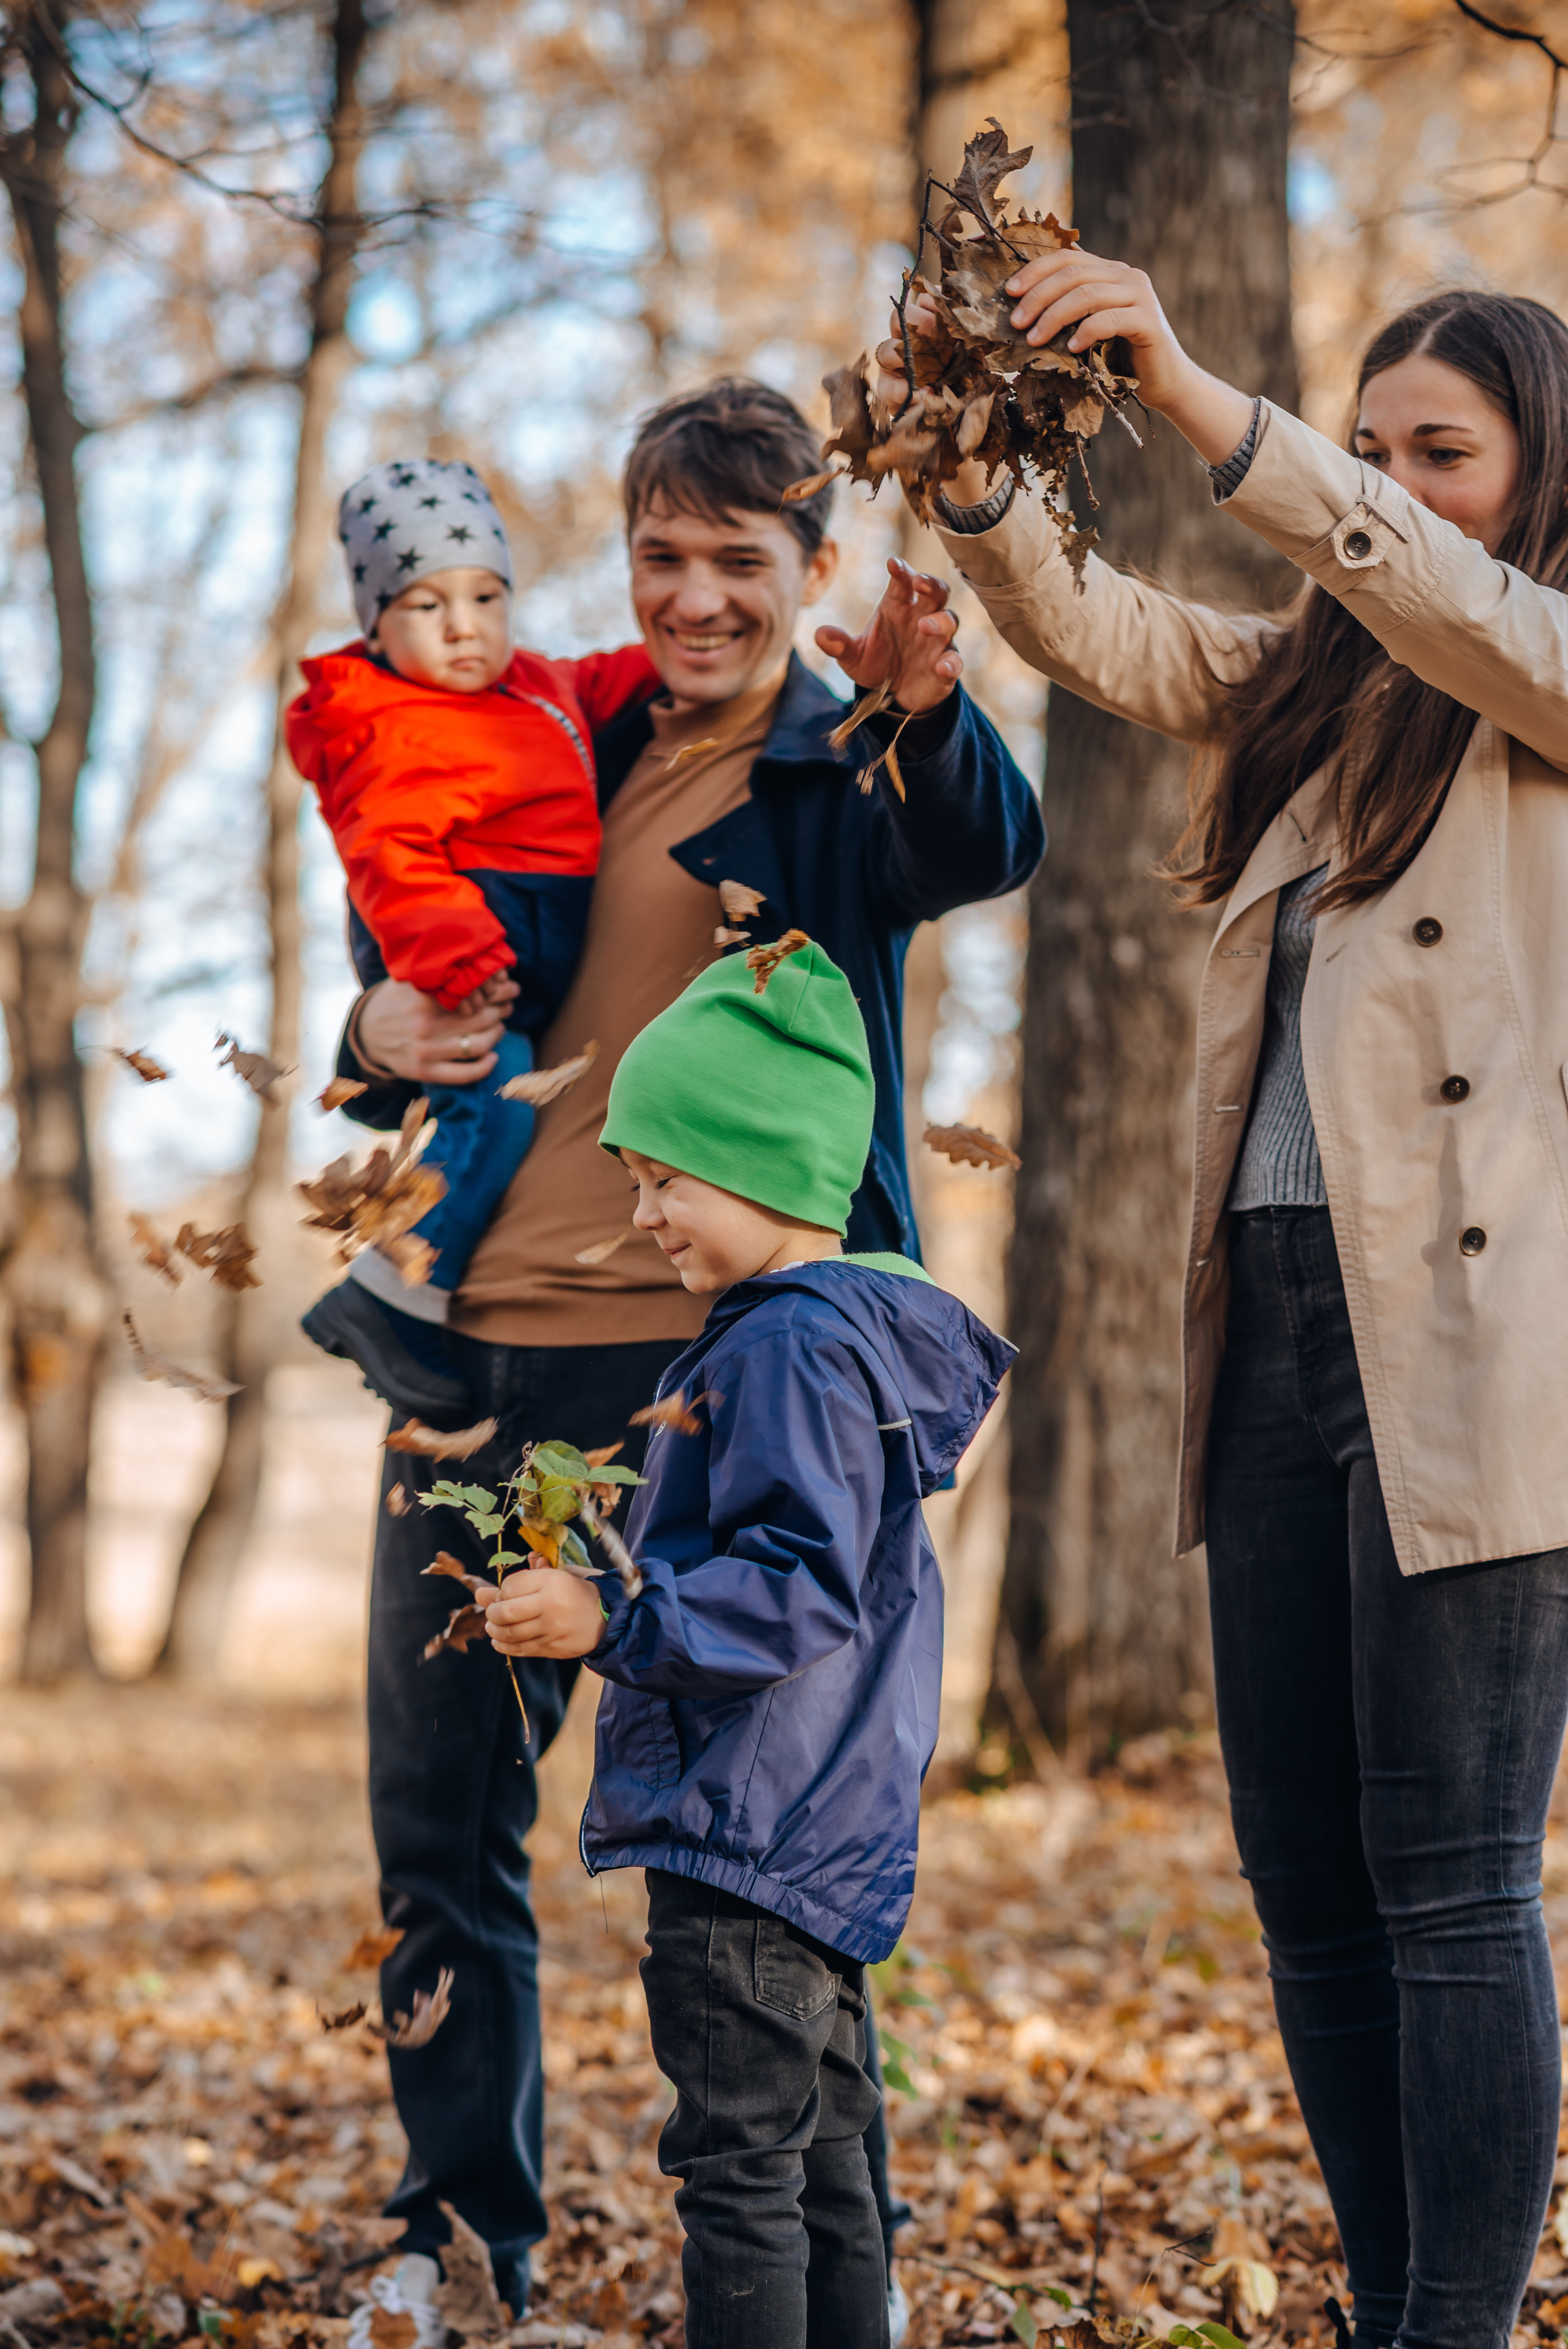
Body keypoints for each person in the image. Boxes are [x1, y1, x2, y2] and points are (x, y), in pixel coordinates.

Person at [892, 259, 1568, 2347]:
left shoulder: (1539, 661)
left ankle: (1454, 2327)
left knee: (1451, 1878)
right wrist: (979, 475)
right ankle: (1395, 2310)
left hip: (1476, 1341)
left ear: (1542, 476)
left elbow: (1444, 597)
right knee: (1306, 1878)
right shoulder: (1333, 686)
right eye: (1372, 453)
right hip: (1274, 1322)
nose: (1393, 489)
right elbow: (1124, 635)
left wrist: (1207, 404)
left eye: (1437, 451)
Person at [327, 379, 1046, 2317]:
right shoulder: (564, 724)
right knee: (442, 1824)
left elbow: (987, 841)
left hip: (727, 1384)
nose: (699, 595)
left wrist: (920, 703)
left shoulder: (845, 764)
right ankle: (460, 2232)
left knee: (762, 1861)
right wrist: (374, 1035)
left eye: (745, 559)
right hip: (481, 1356)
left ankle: (844, 2262)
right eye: (666, 554)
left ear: (810, 569)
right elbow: (430, 938)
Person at [481, 938, 1016, 2349]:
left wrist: (613, 1614)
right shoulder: (840, 1340)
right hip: (813, 1822)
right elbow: (798, 1562)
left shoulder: (781, 1346)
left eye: (667, 1176)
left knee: (738, 2176)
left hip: (744, 1820)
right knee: (822, 2161)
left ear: (769, 1164)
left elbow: (792, 1586)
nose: (644, 1212)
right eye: (636, 1179)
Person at [288, 458, 658, 1420]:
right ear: (376, 622)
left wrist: (671, 652)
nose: (464, 624)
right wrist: (452, 963)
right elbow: (388, 857)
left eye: (486, 595)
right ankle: (393, 1299)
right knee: (492, 1112)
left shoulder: (536, 685)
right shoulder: (383, 724)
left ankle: (402, 1295)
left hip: (515, 943)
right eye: (425, 604)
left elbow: (600, 679)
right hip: (455, 946)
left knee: (493, 1110)